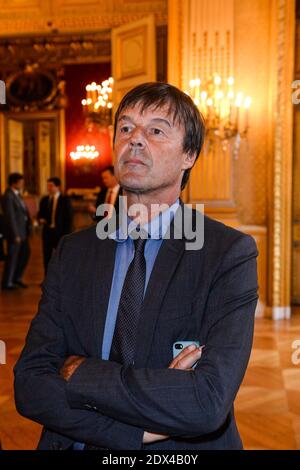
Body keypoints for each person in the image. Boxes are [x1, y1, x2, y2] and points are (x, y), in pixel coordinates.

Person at [14, 82, 258, 450]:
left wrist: (80, 371)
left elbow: (206, 403)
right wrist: (137, 432)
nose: (136, 140)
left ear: (189, 155)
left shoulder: (227, 253)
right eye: (126, 128)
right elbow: (30, 384)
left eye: (156, 130)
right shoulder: (73, 251)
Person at [1, 173, 31, 290]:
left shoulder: (17, 194)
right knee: (12, 257)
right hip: (16, 233)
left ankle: (17, 278)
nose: (22, 184)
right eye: (21, 182)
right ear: (14, 183)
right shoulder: (8, 196)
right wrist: (15, 234)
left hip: (23, 232)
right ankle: (7, 282)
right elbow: (10, 217)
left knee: (24, 254)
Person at [37, 177, 73, 273]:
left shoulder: (65, 200)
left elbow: (69, 218)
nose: (49, 188)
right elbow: (40, 214)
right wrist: (40, 219)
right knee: (47, 257)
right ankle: (47, 279)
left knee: (61, 256)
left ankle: (61, 278)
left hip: (61, 233)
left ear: (58, 187)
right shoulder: (44, 200)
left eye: (51, 186)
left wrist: (67, 234)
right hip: (47, 232)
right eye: (48, 186)